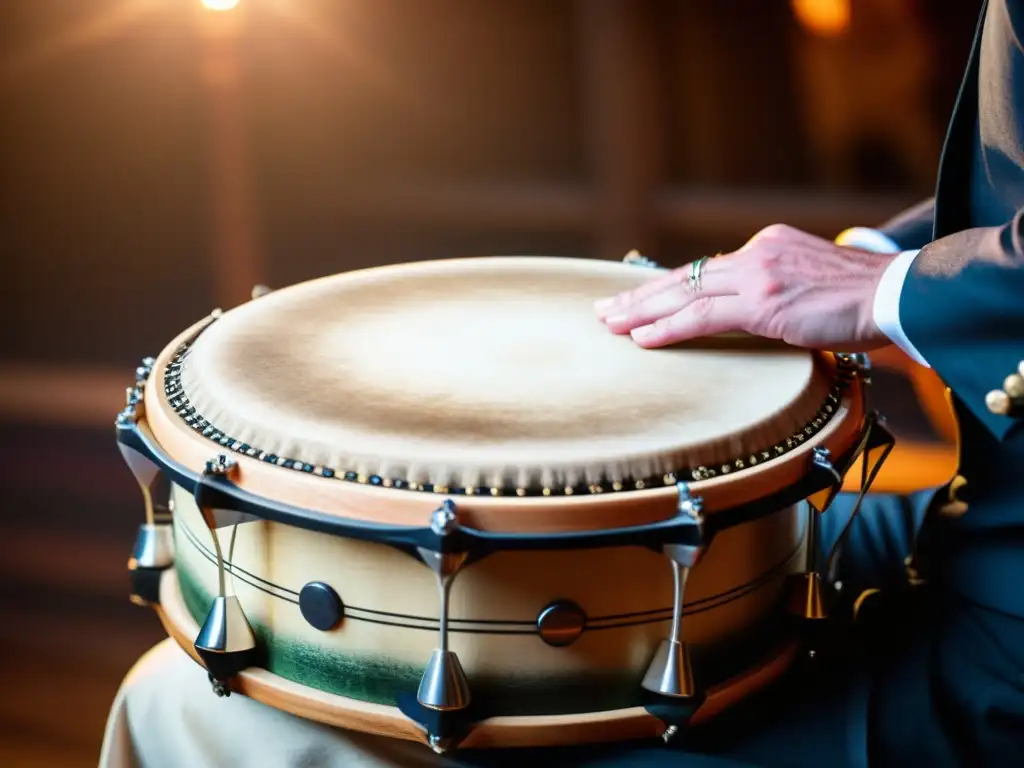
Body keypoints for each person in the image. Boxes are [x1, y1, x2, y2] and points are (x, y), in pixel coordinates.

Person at [100, 1, 1023, 765]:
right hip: (975, 517)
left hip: (1002, 648)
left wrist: (895, 295)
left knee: (195, 714)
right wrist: (857, 261)